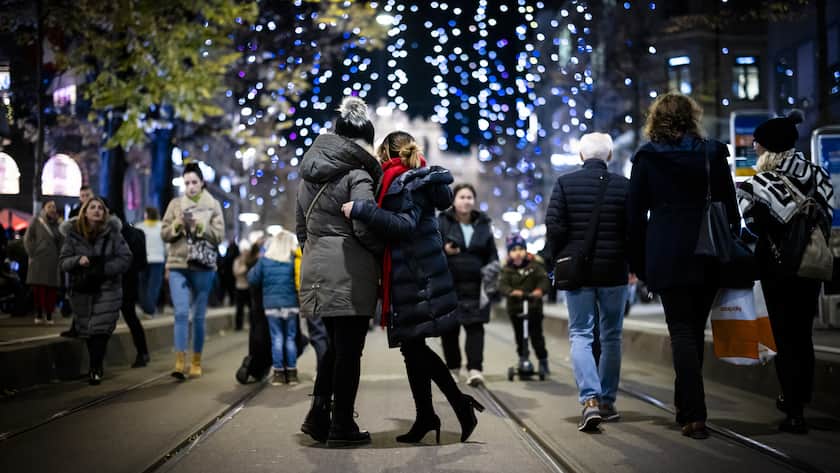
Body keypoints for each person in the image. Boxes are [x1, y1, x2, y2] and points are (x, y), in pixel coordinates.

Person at [341, 131, 485, 444]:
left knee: (413, 346)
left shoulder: (402, 181)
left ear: (385, 152)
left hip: (415, 275)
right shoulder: (415, 178)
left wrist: (363, 210)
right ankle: (427, 416)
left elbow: (404, 225)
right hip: (418, 272)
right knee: (412, 347)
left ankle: (458, 406)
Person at [627, 93, 738, 440]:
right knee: (694, 328)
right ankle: (686, 406)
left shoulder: (646, 158)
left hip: (666, 252)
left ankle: (693, 412)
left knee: (681, 332)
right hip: (707, 251)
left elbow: (634, 216)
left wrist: (639, 263)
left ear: (655, 120)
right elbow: (730, 208)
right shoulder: (713, 153)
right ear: (692, 117)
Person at [737, 111, 833, 434]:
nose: (755, 152)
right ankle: (801, 397)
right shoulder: (818, 175)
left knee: (783, 337)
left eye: (758, 146)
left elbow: (750, 229)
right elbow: (827, 216)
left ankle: (793, 410)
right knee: (803, 334)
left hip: (777, 268)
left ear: (769, 149)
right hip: (811, 264)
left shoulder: (760, 183)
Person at [297, 96, 382, 448]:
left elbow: (300, 229)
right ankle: (342, 424)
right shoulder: (358, 174)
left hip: (316, 266)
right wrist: (380, 252)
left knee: (332, 346)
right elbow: (364, 224)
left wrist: (317, 252)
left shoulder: (307, 176)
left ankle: (318, 414)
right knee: (349, 350)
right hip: (349, 269)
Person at [545, 132, 631, 431]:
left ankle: (590, 400)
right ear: (609, 156)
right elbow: (634, 230)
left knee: (581, 333)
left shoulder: (564, 183)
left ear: (581, 156)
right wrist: (633, 265)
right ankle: (607, 401)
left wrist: (556, 259)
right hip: (614, 271)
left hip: (578, 272)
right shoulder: (624, 185)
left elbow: (554, 227)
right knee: (612, 336)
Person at [161, 162, 225, 380]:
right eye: (186, 182)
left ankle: (196, 360)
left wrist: (201, 227)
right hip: (178, 264)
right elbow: (164, 234)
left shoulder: (213, 205)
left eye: (194, 182)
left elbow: (219, 236)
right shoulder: (175, 205)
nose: (190, 186)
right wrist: (178, 225)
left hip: (203, 266)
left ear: (202, 183)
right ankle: (180, 361)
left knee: (198, 316)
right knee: (180, 313)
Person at [59, 197, 132, 385]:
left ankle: (95, 367)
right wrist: (78, 261)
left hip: (108, 288)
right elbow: (63, 262)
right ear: (84, 211)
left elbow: (125, 258)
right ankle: (95, 364)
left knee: (101, 330)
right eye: (92, 207)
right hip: (83, 290)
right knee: (88, 331)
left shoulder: (114, 234)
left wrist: (104, 269)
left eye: (100, 207)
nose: (97, 210)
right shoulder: (73, 234)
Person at [438, 183, 499, 386]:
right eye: (462, 197)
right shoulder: (442, 222)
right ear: (454, 201)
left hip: (476, 286)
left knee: (475, 327)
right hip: (448, 285)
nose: (466, 201)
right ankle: (453, 368)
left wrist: (491, 272)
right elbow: (431, 250)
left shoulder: (483, 224)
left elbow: (492, 254)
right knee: (450, 329)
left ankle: (475, 369)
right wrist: (444, 250)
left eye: (469, 197)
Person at [248, 230, 301, 386]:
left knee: (276, 338)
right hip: (290, 303)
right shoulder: (292, 259)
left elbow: (252, 278)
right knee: (290, 338)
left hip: (271, 305)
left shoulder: (265, 260)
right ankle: (291, 373)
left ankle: (278, 373)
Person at [498, 234, 551, 375]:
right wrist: (510, 291)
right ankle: (523, 357)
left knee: (536, 336)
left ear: (525, 250)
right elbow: (502, 285)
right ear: (509, 253)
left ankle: (543, 360)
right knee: (520, 336)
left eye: (521, 249)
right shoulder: (506, 269)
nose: (518, 253)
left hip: (533, 307)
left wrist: (540, 290)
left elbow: (543, 280)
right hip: (515, 308)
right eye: (514, 250)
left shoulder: (535, 266)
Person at [116, 210, 151, 368]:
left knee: (129, 316)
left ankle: (95, 365)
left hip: (122, 281)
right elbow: (142, 264)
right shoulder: (135, 233)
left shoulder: (123, 233)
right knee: (130, 317)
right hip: (127, 282)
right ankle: (143, 352)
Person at [24, 200, 63, 325]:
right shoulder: (36, 221)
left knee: (51, 290)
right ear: (44, 208)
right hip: (38, 260)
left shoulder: (58, 223)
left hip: (53, 260)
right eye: (49, 206)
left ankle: (49, 315)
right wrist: (32, 252)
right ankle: (40, 313)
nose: (52, 209)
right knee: (39, 289)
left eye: (54, 207)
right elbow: (27, 238)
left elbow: (62, 242)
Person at [136, 207, 166, 318]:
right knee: (154, 286)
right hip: (158, 260)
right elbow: (166, 245)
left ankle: (146, 307)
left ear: (146, 215)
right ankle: (150, 309)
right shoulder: (162, 226)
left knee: (143, 285)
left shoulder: (139, 226)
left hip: (143, 259)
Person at [232, 242, 251, 331]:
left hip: (248, 287)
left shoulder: (249, 261)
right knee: (239, 308)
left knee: (251, 308)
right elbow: (236, 273)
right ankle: (238, 326)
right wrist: (245, 268)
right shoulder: (237, 261)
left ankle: (252, 324)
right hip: (240, 286)